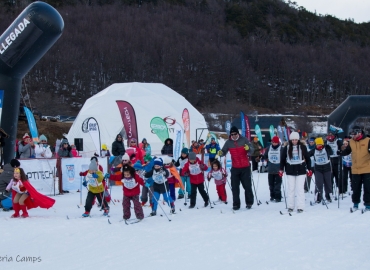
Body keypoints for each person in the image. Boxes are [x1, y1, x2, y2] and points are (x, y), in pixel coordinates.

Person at [217, 126, 254, 210]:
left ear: (238, 133)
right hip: (235, 168)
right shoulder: (228, 142)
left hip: (245, 167)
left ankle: (249, 202)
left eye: (235, 134)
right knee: (235, 187)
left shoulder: (244, 140)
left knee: (247, 186)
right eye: (232, 134)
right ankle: (236, 204)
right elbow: (223, 151)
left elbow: (252, 150)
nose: (233, 135)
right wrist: (220, 153)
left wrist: (248, 149)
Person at [339, 126, 370, 211]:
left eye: (355, 134)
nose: (353, 136)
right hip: (355, 169)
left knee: (367, 188)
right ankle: (355, 204)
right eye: (352, 135)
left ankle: (368, 204)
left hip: (367, 168)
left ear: (359, 133)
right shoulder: (351, 142)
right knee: (356, 188)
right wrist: (341, 152)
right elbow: (348, 151)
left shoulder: (368, 140)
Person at [279, 132, 311, 213]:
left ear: (298, 140)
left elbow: (308, 158)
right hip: (290, 170)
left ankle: (300, 206)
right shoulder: (286, 147)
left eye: (296, 140)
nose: (294, 141)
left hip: (301, 169)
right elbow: (282, 159)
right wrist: (281, 169)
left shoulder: (303, 147)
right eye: (292, 140)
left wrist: (309, 169)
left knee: (300, 189)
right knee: (291, 189)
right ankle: (290, 206)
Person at [308, 137, 334, 204]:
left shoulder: (326, 148)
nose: (319, 146)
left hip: (327, 168)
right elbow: (307, 155)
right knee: (319, 183)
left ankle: (329, 197)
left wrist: (329, 147)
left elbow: (331, 153)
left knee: (328, 183)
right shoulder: (314, 150)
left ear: (322, 144)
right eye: (317, 144)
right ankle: (318, 198)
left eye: (320, 144)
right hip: (318, 169)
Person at [262, 136, 283, 202]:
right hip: (270, 169)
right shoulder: (268, 148)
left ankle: (278, 197)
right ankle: (272, 196)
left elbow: (284, 157)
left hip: (278, 169)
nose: (274, 143)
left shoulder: (281, 149)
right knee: (271, 184)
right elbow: (265, 155)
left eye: (275, 142)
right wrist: (263, 158)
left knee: (277, 184)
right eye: (273, 142)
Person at [326, 131, 342, 196]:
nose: (330, 136)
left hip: (337, 159)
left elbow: (342, 148)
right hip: (329, 160)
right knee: (330, 176)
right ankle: (330, 191)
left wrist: (340, 151)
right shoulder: (326, 142)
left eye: (331, 135)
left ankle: (340, 190)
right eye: (329, 134)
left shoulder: (337, 141)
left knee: (338, 175)